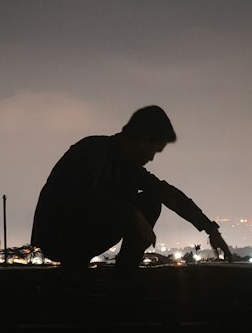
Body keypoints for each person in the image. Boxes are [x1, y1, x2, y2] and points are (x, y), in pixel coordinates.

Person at [31, 106, 234, 269]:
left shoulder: (128, 167)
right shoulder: (92, 151)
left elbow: (168, 194)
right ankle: (117, 281)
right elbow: (85, 197)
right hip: (58, 234)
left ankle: (124, 278)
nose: (152, 158)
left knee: (151, 201)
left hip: (83, 233)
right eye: (154, 150)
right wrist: (133, 215)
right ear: (142, 141)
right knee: (137, 208)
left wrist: (210, 229)